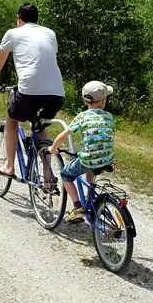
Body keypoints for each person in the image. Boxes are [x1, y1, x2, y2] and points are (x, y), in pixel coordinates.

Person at [0, 3, 65, 177]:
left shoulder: (13, 33)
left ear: (19, 18)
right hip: (57, 93)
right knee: (39, 125)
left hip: (30, 91)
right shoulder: (50, 33)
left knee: (12, 120)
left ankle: (9, 166)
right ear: (37, 19)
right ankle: (48, 174)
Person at [49, 81, 115, 223]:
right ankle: (91, 197)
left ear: (85, 100)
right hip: (107, 159)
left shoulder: (83, 116)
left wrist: (54, 147)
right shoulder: (109, 116)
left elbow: (64, 134)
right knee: (91, 165)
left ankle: (78, 207)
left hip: (89, 159)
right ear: (103, 100)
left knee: (66, 175)